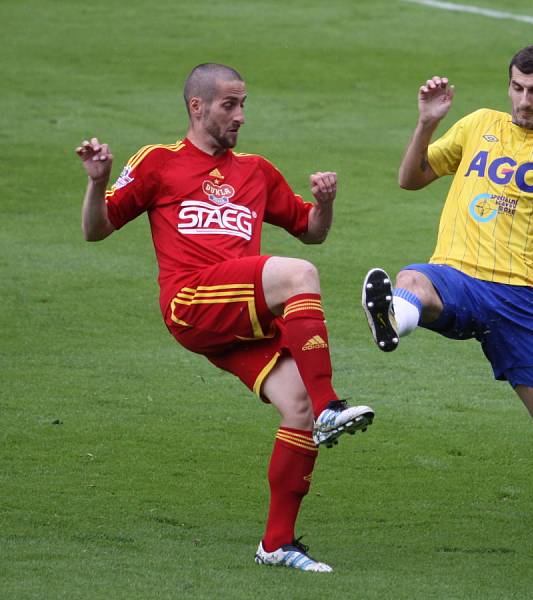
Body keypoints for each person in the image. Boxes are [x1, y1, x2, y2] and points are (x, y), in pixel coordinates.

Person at [76, 63, 374, 573]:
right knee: (298, 275)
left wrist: (325, 204)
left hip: (235, 316)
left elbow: (310, 230)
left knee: (295, 405)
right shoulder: (158, 162)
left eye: (243, 104)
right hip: (191, 302)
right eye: (228, 105)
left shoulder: (256, 170)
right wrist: (99, 181)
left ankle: (276, 543)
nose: (240, 115)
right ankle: (332, 407)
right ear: (197, 107)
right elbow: (96, 229)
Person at [362, 36, 533, 537]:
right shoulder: (479, 125)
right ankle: (393, 319)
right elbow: (412, 178)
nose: (523, 101)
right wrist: (427, 121)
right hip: (458, 275)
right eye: (516, 88)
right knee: (411, 278)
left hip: (521, 299)